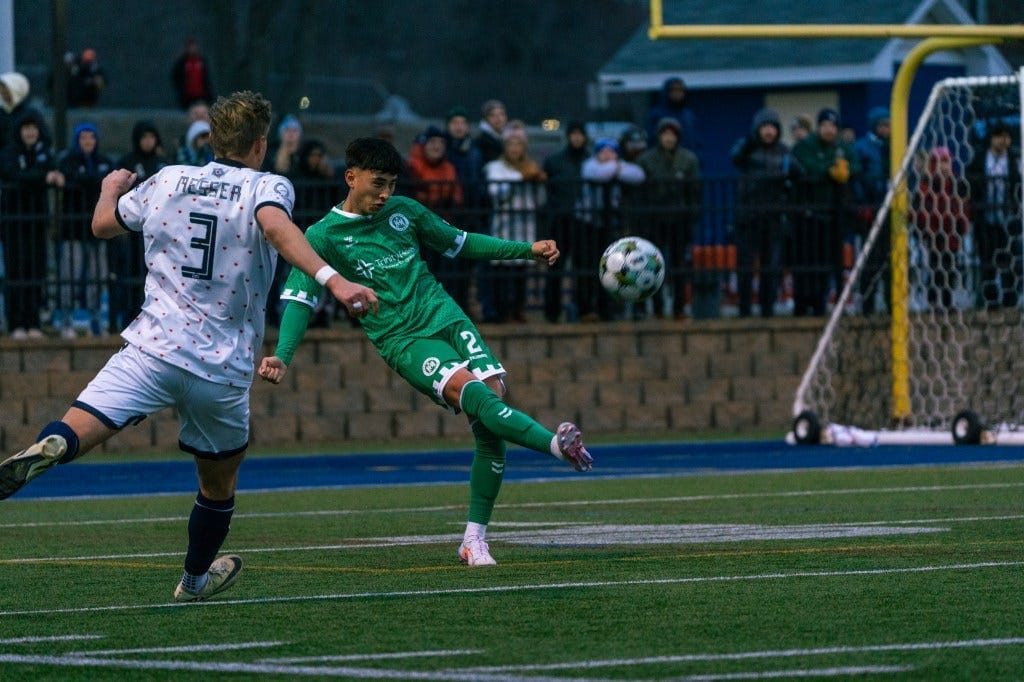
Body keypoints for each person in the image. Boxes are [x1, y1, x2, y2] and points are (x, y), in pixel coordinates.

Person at [0, 91, 376, 604]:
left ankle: (53, 447)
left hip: (152, 348)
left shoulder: (170, 178)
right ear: (261, 144)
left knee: (80, 423)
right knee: (217, 486)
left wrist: (110, 188)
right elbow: (273, 224)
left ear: (214, 138)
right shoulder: (267, 185)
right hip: (219, 369)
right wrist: (334, 281)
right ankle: (194, 580)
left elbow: (102, 225)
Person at [258, 137, 592, 567]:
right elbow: (300, 299)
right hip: (405, 340)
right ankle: (554, 446)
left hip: (449, 319)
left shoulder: (405, 212)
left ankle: (474, 539)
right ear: (351, 177)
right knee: (477, 397)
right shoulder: (322, 236)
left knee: (491, 421)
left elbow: (462, 242)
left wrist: (525, 250)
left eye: (391, 185)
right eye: (378, 184)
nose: (384, 194)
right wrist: (283, 354)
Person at [731, 108, 802, 319]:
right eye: (765, 127)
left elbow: (799, 172)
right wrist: (748, 142)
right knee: (745, 265)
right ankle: (744, 309)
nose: (769, 132)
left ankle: (767, 309)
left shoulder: (783, 151)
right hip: (748, 216)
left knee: (771, 266)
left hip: (774, 217)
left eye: (772, 127)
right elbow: (734, 157)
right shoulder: (748, 148)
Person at [0, 108, 64, 339]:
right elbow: (13, 174)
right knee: (16, 271)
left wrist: (42, 176)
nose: (30, 132)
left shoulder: (44, 152)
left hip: (37, 221)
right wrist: (42, 178)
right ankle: (16, 323)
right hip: (14, 222)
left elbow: (50, 170)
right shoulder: (9, 152)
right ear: (19, 131)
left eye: (34, 128)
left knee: (36, 271)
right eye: (26, 128)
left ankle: (33, 321)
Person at [791, 108, 861, 316]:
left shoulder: (842, 147)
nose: (829, 130)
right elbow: (807, 166)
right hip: (809, 213)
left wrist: (846, 170)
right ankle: (802, 303)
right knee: (807, 260)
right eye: (825, 125)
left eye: (833, 126)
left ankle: (822, 303)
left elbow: (855, 166)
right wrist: (830, 171)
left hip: (834, 214)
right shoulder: (806, 146)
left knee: (829, 260)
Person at [637, 117, 701, 320]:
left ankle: (679, 308)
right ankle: (657, 308)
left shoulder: (688, 159)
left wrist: (692, 215)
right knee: (653, 266)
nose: (669, 138)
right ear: (659, 136)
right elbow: (640, 191)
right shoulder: (646, 160)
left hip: (679, 220)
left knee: (679, 265)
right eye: (665, 134)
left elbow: (695, 191)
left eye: (672, 134)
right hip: (654, 220)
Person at [56, 121, 115, 337]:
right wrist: (93, 182)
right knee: (69, 274)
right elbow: (79, 178)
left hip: (99, 230)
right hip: (73, 231)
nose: (88, 141)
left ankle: (95, 318)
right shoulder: (68, 161)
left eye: (91, 137)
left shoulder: (104, 162)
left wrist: (83, 181)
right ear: (77, 140)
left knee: (97, 276)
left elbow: (104, 181)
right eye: (83, 137)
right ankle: (66, 318)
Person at [483, 124, 547, 323]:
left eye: (519, 145)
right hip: (504, 225)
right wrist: (521, 177)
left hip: (524, 225)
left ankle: (519, 309)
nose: (515, 149)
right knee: (503, 270)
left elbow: (540, 200)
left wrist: (538, 183)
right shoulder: (495, 167)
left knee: (521, 272)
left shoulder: (531, 167)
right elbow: (496, 193)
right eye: (511, 145)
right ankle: (503, 311)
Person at [578, 138, 646, 321]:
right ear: (597, 153)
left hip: (610, 225)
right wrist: (617, 168)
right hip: (588, 223)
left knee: (611, 267)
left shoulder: (618, 165)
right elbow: (599, 175)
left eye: (612, 152)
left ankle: (608, 309)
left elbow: (638, 175)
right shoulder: (589, 165)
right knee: (588, 264)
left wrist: (614, 168)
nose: (608, 155)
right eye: (604, 151)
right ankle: (588, 308)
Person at [407, 125, 471, 315]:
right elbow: (411, 196)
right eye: (433, 142)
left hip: (442, 227)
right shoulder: (412, 165)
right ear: (424, 144)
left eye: (441, 143)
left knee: (446, 273)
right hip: (417, 232)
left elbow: (457, 197)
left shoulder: (448, 168)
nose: (437, 147)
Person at [111, 120, 168, 331]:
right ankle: (129, 318)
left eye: (151, 137)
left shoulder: (164, 164)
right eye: (144, 137)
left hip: (160, 231)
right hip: (135, 231)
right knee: (132, 275)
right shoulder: (128, 162)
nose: (148, 141)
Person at [968, 122, 1021, 309]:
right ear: (991, 139)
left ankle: (1010, 300)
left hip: (1008, 219)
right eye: (999, 136)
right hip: (986, 219)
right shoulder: (980, 159)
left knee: (1009, 261)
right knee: (987, 260)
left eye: (1007, 137)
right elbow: (971, 184)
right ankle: (990, 300)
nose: (1003, 141)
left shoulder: (1014, 159)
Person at [912, 146, 971, 310]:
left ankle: (947, 300)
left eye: (947, 162)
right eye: (941, 163)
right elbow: (919, 210)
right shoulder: (926, 184)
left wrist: (960, 226)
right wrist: (926, 230)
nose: (945, 167)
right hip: (934, 233)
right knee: (936, 267)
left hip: (952, 232)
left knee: (950, 267)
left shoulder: (956, 183)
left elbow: (963, 206)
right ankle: (933, 301)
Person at [542, 120, 589, 323]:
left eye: (580, 134)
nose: (577, 138)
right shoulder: (555, 161)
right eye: (574, 133)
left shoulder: (589, 161)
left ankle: (584, 309)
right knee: (555, 266)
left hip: (583, 222)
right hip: (560, 221)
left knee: (584, 267)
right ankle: (552, 312)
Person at [852, 106, 892, 314]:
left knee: (891, 258)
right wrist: (863, 204)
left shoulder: (894, 146)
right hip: (871, 209)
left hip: (891, 209)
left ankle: (891, 302)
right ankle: (867, 303)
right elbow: (857, 177)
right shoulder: (862, 147)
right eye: (883, 125)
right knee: (871, 258)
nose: (887, 130)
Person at [644, 77, 698, 157]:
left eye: (680, 90)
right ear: (667, 92)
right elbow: (650, 140)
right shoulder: (656, 114)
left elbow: (695, 141)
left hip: (686, 162)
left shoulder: (688, 115)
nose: (677, 93)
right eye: (674, 90)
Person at [171, 38, 215, 109]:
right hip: (187, 96)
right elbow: (176, 77)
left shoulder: (202, 61)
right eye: (190, 47)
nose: (192, 49)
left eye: (194, 47)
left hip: (201, 95)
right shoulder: (182, 63)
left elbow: (206, 78)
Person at [0, 72, 31, 147]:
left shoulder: (30, 114)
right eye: (2, 91)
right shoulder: (2, 113)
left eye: (6, 92)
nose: (3, 94)